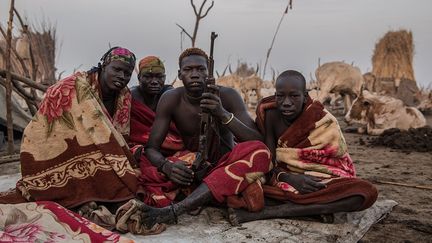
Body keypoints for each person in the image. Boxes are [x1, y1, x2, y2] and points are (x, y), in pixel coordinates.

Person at [118, 47, 272, 228]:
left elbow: (257, 142)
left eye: (200, 69)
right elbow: (151, 148)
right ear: (179, 74)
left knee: (260, 153)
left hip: (227, 164)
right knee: (149, 173)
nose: (195, 75)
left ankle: (176, 209)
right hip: (192, 168)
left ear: (209, 73)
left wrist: (222, 113)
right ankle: (209, 194)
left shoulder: (228, 96)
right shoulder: (171, 99)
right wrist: (167, 166)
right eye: (188, 70)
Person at [0, 47, 148, 229]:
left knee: (126, 180)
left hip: (97, 151)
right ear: (103, 66)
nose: (122, 76)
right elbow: (45, 129)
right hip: (59, 152)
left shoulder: (124, 96)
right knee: (121, 181)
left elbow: (117, 136)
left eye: (127, 73)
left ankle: (91, 197)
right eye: (116, 69)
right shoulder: (73, 87)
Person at [228, 70, 378, 225]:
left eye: (294, 96)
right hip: (284, 180)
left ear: (305, 97)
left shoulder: (322, 119)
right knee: (243, 187)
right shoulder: (271, 115)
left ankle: (274, 211)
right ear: (275, 95)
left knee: (366, 192)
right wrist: (291, 178)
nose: (286, 102)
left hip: (321, 180)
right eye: (280, 96)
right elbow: (269, 161)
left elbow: (336, 159)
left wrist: (310, 180)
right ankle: (315, 209)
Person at [129, 56, 183, 158]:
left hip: (171, 146)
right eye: (148, 76)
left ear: (164, 77)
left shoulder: (169, 94)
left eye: (159, 76)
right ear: (139, 77)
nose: (154, 81)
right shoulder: (132, 97)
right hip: (140, 147)